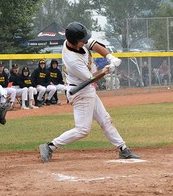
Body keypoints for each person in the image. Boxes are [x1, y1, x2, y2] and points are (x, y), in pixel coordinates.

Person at [39, 22, 140, 163]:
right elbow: (92, 78)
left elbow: (94, 44)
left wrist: (110, 57)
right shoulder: (73, 61)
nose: (85, 41)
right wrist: (107, 69)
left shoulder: (75, 43)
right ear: (74, 42)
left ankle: (123, 149)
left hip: (87, 89)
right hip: (80, 92)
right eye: (82, 40)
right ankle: (50, 146)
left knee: (105, 119)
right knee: (82, 130)